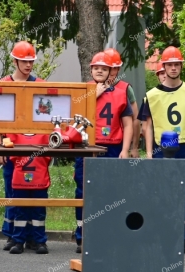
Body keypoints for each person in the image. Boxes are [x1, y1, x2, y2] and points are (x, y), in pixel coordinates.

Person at [140, 46, 185, 255]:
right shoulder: (151, 95)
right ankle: (162, 237)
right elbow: (147, 126)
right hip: (162, 148)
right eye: (170, 64)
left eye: (177, 64)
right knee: (160, 194)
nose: (174, 68)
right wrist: (149, 154)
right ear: (164, 67)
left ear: (181, 66)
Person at [72, 52, 134, 253]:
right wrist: (94, 94)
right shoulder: (84, 90)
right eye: (96, 67)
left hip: (112, 146)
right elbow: (74, 117)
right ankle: (83, 235)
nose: (99, 70)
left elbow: (128, 123)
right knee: (84, 190)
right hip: (87, 146)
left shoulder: (122, 91)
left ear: (111, 72)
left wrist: (126, 149)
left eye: (104, 68)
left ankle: (109, 234)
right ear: (90, 70)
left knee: (112, 192)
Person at [0, 41, 46, 251]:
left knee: (36, 191)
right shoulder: (3, 84)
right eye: (24, 61)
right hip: (11, 146)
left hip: (35, 146)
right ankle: (14, 235)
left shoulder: (40, 84)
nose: (28, 65)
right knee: (13, 191)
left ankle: (33, 236)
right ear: (14, 61)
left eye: (31, 61)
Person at [7, 133, 51, 254]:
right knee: (20, 211)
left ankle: (39, 241)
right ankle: (18, 241)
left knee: (39, 212)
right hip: (25, 180)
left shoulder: (45, 133)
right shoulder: (15, 134)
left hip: (37, 180)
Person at [103, 48, 141, 159]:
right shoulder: (91, 88)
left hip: (118, 143)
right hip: (96, 140)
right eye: (107, 68)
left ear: (118, 69)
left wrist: (134, 147)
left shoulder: (125, 89)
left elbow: (135, 118)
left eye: (113, 69)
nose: (110, 72)